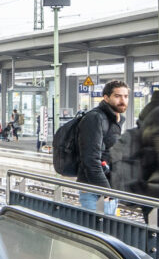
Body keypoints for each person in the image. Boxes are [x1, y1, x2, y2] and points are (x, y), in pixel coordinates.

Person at [53, 80, 130, 214]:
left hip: (108, 190)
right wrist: (106, 192)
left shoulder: (115, 120)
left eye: (125, 96)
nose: (122, 100)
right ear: (106, 98)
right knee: (96, 232)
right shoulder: (95, 119)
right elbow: (90, 159)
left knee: (106, 232)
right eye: (117, 96)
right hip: (95, 191)